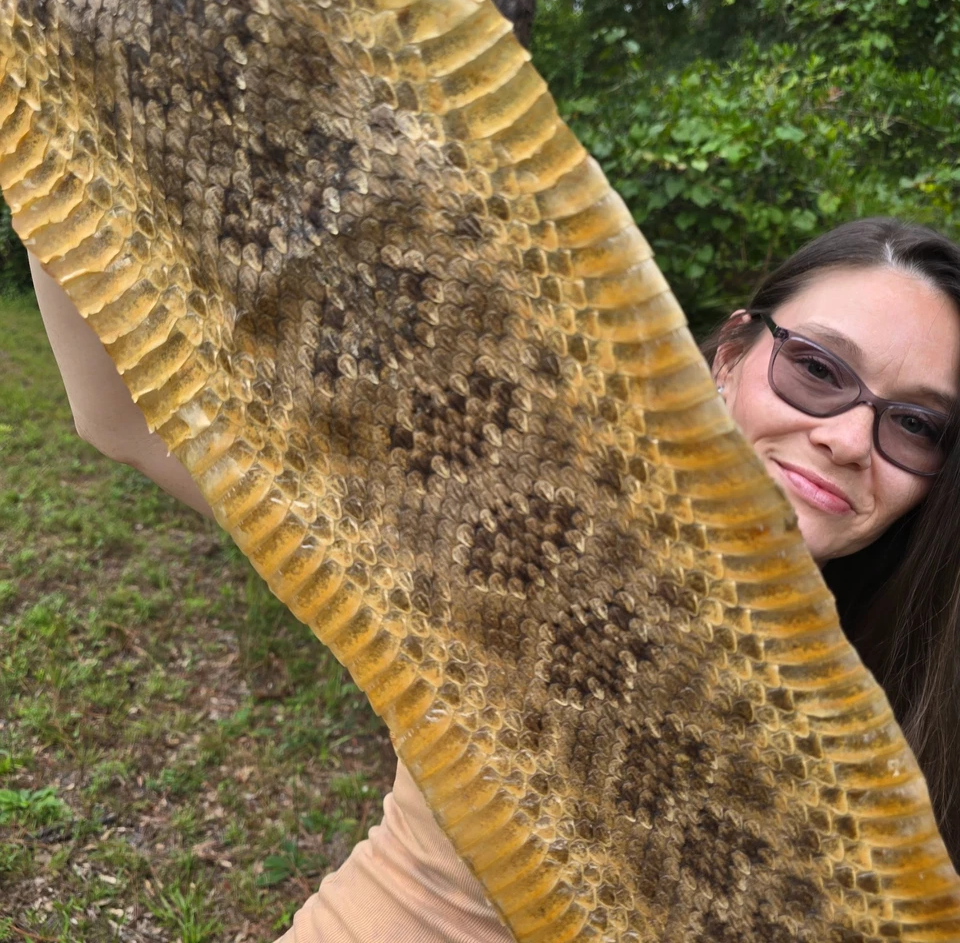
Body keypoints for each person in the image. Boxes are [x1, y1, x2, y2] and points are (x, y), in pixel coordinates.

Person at [30, 215, 960, 940]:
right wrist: (44, 132)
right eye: (817, 369)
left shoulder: (914, 728)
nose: (850, 437)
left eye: (917, 425)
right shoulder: (518, 539)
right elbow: (128, 420)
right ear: (731, 356)